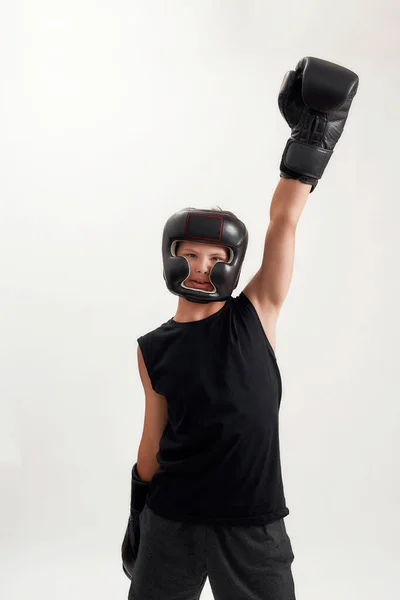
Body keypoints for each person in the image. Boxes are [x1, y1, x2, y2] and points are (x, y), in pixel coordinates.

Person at [122, 56, 359, 600]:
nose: (203, 266)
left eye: (216, 256)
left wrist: (311, 137)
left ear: (233, 262)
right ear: (171, 259)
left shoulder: (257, 312)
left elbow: (284, 220)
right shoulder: (150, 348)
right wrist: (138, 509)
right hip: (172, 519)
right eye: (192, 254)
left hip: (253, 524)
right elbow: (152, 437)